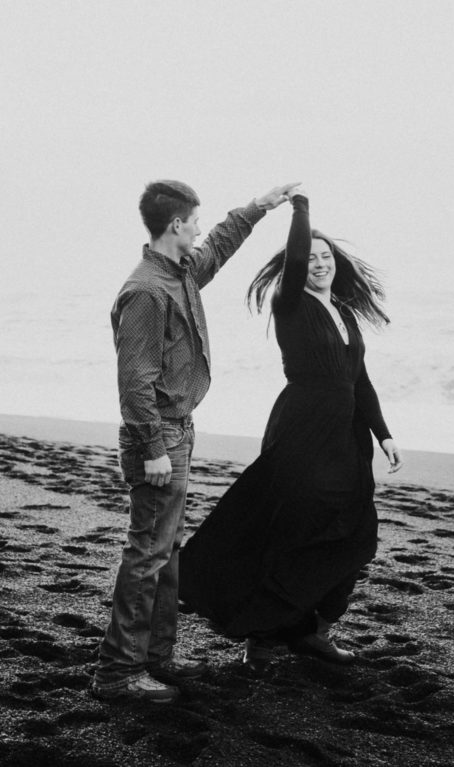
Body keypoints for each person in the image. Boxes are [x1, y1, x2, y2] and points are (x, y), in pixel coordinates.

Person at [92, 179, 300, 703]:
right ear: (177, 224)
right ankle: (118, 672)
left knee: (166, 553)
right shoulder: (145, 291)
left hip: (178, 430)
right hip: (157, 436)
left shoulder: (179, 272)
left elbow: (222, 244)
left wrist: (259, 207)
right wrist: (155, 449)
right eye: (196, 220)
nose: (202, 228)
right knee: (146, 554)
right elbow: (134, 382)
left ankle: (156, 661)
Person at [178, 190, 401, 675]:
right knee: (293, 532)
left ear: (337, 264)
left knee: (357, 533)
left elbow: (358, 378)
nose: (319, 264)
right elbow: (297, 258)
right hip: (303, 430)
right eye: (312, 257)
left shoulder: (343, 311)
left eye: (327, 258)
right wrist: (300, 210)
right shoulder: (291, 301)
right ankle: (261, 638)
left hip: (346, 438)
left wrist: (383, 434)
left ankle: (312, 630)